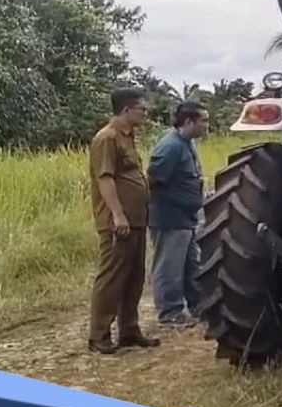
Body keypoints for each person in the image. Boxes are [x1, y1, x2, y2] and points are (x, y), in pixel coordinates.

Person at [86, 87, 160, 354]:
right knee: (113, 277)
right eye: (141, 108)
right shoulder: (106, 139)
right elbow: (104, 178)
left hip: (136, 219)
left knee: (134, 276)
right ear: (126, 110)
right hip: (118, 221)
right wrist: (117, 213)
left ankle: (129, 329)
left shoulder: (127, 137)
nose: (145, 112)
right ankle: (99, 335)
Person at [146, 101, 209, 329]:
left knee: (192, 265)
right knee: (169, 267)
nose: (206, 125)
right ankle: (170, 313)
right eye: (203, 120)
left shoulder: (187, 143)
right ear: (189, 121)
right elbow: (153, 179)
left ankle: (198, 307)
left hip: (186, 218)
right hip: (170, 218)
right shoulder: (170, 146)